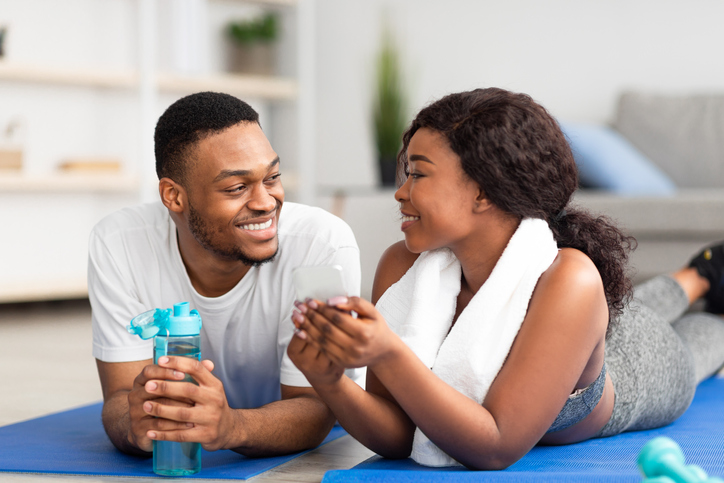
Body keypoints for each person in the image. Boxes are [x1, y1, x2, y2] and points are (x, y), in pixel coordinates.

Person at [287, 87, 724, 470]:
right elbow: (403, 435)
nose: (401, 192)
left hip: (640, 367)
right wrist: (332, 383)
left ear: (482, 191)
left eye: (418, 173)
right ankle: (702, 273)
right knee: (631, 308)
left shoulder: (570, 279)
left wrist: (388, 354)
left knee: (700, 334)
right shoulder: (403, 268)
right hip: (586, 325)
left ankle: (703, 276)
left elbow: (496, 446)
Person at [89, 91, 364, 457]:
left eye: (272, 177)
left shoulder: (321, 244)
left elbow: (317, 405)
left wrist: (232, 427)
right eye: (236, 188)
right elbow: (122, 397)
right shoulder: (119, 242)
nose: (266, 202)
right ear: (174, 196)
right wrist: (138, 424)